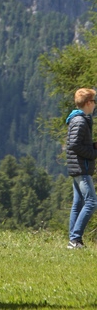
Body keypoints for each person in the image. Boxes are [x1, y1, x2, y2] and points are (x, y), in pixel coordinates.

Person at [65, 87, 97, 249]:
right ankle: (75, 239)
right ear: (88, 103)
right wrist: (93, 153)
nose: (95, 105)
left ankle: (73, 240)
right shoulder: (80, 121)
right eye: (93, 101)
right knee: (91, 202)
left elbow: (77, 143)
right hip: (81, 167)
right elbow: (74, 145)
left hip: (77, 167)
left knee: (78, 203)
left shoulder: (79, 119)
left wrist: (92, 146)